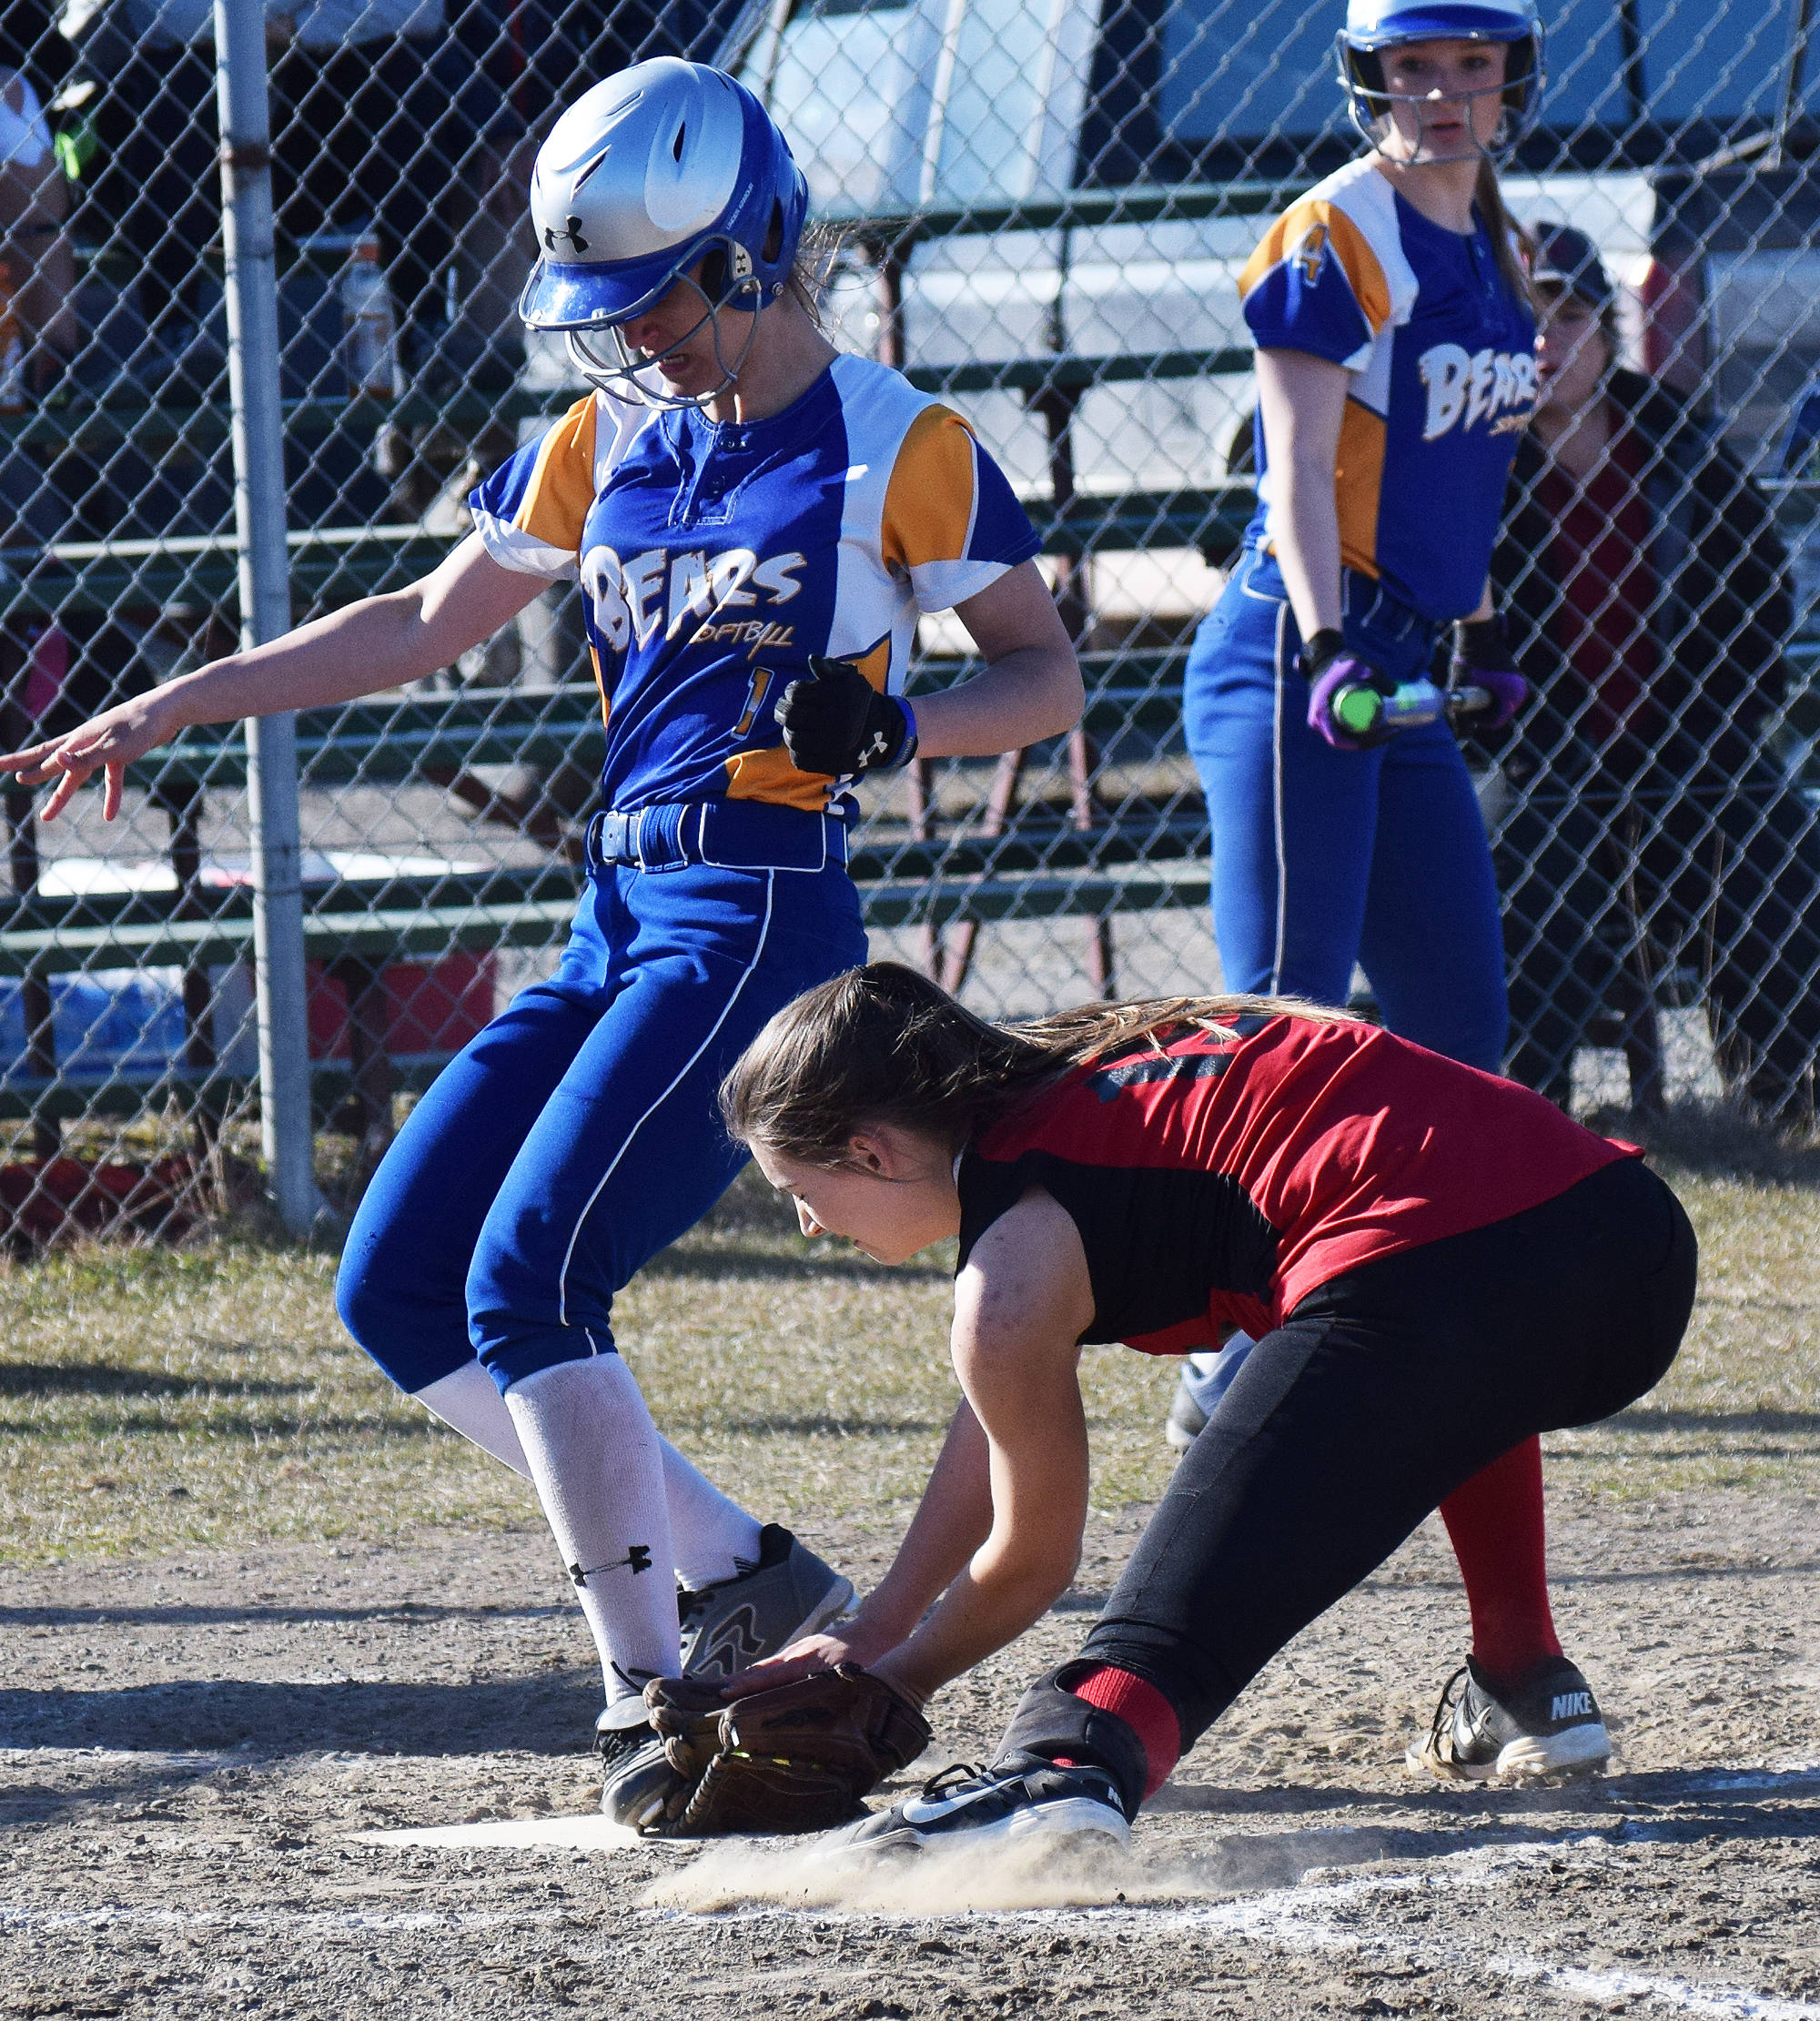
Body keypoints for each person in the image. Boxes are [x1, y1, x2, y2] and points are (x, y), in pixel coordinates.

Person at [0, 58, 1082, 1823]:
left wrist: (901, 730)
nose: (630, 335)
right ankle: (740, 1575)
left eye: (654, 293)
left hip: (755, 908)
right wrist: (170, 705)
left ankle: (651, 1697)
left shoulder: (897, 441)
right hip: (618, 906)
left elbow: (1041, 672)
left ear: (751, 257)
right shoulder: (610, 440)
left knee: (526, 1286)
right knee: (400, 1285)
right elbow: (420, 621)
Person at [716, 962, 1695, 1844]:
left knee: (1412, 1335)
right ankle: (1522, 1677)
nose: (806, 1224)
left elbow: (1030, 1559)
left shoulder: (1012, 1263)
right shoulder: (1084, 1072)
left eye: (799, 1188)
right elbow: (998, 1412)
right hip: (1629, 1244)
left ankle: (1070, 1764)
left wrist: (895, 1684)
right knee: (1453, 1345)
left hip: (1446, 1277)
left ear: (872, 1151)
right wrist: (875, 1626)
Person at [1162, 3, 1569, 1693]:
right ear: (1371, 85)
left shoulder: (1510, 241)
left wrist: (1447, 649)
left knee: (1460, 1040)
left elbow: (1466, 473)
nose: (1446, 97)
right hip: (1301, 659)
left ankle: (1396, 1333)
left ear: (1509, 86)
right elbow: (1298, 466)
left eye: (1474, 70)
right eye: (1417, 71)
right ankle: (1212, 1342)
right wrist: (1340, 643)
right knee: (1286, 1021)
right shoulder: (1334, 227)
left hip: (1402, 665)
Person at [1482, 225, 1820, 1124]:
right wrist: (1528, 740)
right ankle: (1523, 1116)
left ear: (1605, 329)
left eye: (1567, 315)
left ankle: (1784, 1102)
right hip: (1542, 758)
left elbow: (1757, 597)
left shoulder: (1681, 446)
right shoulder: (1475, 465)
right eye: (1522, 318)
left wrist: (1710, 723)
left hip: (1684, 743)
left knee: (1777, 843)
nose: (1545, 341)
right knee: (1513, 874)